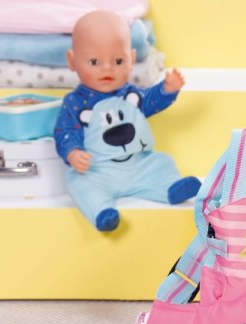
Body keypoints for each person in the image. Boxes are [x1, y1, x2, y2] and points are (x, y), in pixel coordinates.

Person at [54, 10, 201, 231]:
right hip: (98, 171)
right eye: (94, 61)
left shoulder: (132, 94)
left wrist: (167, 90)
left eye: (118, 60)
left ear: (131, 59)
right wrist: (73, 152)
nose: (107, 68)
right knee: (78, 182)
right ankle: (102, 211)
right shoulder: (75, 103)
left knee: (161, 162)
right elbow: (65, 131)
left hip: (139, 165)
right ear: (72, 61)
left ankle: (171, 188)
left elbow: (150, 101)